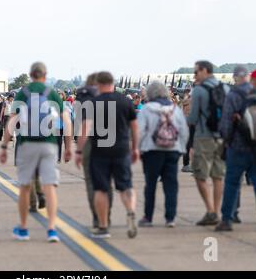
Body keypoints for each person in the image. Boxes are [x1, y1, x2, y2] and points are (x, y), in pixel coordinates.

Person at [0, 62, 73, 243]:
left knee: (24, 187)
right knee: (50, 187)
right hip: (49, 144)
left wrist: (4, 146)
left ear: (31, 75)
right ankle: (51, 229)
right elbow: (67, 121)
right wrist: (69, 146)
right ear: (45, 75)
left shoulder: (22, 93)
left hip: (27, 144)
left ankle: (23, 229)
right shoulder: (53, 93)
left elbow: (12, 121)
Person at [76, 72, 139, 239]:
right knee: (126, 186)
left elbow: (86, 128)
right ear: (113, 82)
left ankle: (103, 226)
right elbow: (134, 127)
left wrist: (79, 150)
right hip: (121, 149)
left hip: (100, 151)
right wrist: (135, 148)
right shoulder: (126, 101)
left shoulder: (93, 103)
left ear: (98, 84)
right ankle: (131, 211)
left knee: (101, 189)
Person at [216, 68, 256, 232]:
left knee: (232, 183)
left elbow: (226, 124)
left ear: (236, 78)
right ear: (248, 77)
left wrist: (226, 141)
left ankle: (227, 219)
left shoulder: (233, 95)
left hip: (237, 147)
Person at [137, 82, 189, 228]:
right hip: (173, 150)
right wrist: (181, 149)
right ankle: (170, 217)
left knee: (151, 185)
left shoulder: (147, 109)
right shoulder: (175, 109)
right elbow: (183, 130)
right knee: (171, 185)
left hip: (152, 151)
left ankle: (148, 217)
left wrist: (137, 148)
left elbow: (140, 131)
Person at [188, 61, 228, 226]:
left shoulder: (198, 90)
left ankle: (210, 210)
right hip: (222, 137)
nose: (194, 75)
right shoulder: (225, 88)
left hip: (204, 136)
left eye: (196, 72)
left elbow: (193, 118)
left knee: (200, 175)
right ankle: (217, 211)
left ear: (205, 70)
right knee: (218, 175)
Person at [75, 73, 114, 230]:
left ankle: (97, 218)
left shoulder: (80, 98)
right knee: (106, 181)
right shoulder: (104, 96)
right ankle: (107, 216)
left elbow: (78, 123)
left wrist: (78, 148)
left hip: (87, 142)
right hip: (107, 139)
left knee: (91, 182)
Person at [182, 88, 194, 173]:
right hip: (192, 124)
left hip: (186, 124)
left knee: (188, 144)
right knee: (191, 145)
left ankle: (186, 164)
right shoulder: (193, 101)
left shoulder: (186, 101)